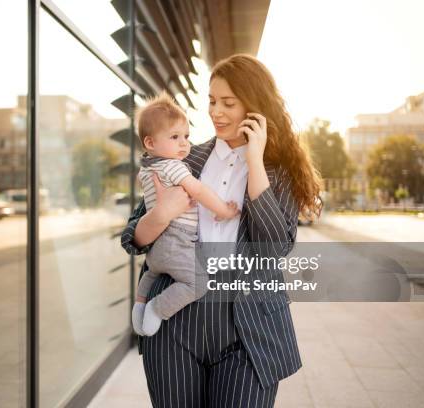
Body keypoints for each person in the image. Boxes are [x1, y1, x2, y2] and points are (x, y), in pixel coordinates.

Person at [121, 54, 322, 407]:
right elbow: (134, 239)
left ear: (255, 106)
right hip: (175, 320)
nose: (216, 112)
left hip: (250, 328)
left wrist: (255, 162)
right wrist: (163, 213)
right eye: (212, 101)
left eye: (228, 103)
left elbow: (275, 248)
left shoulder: (280, 171)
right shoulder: (184, 159)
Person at [132, 92, 240, 337]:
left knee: (152, 272)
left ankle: (139, 304)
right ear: (150, 143)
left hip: (158, 248)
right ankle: (156, 309)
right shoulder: (173, 166)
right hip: (176, 241)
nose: (184, 144)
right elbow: (198, 190)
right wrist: (224, 210)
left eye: (186, 136)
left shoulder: (148, 167)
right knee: (198, 283)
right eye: (175, 137)